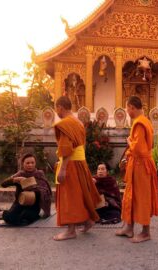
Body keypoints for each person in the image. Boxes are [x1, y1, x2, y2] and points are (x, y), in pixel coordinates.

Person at [53, 96, 101, 241]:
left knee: (70, 196)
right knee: (81, 193)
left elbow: (67, 147)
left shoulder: (65, 123)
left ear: (60, 107)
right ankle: (87, 221)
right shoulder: (78, 122)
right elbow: (80, 145)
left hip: (71, 163)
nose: (56, 112)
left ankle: (70, 230)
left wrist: (63, 168)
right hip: (81, 162)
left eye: (56, 108)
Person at [115, 95, 158, 243]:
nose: (127, 111)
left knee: (142, 197)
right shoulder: (145, 121)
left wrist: (129, 142)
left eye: (127, 108)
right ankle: (129, 227)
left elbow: (139, 148)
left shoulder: (139, 123)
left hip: (141, 166)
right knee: (131, 195)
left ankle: (146, 232)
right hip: (137, 165)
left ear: (132, 107)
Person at [0, 153, 52, 226]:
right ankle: (4, 214)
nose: (30, 165)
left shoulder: (40, 173)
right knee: (12, 217)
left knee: (26, 219)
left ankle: (7, 216)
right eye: (28, 163)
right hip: (20, 204)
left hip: (34, 206)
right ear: (23, 164)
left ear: (35, 163)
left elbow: (46, 190)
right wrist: (15, 180)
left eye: (32, 163)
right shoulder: (20, 174)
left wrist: (34, 188)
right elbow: (3, 184)